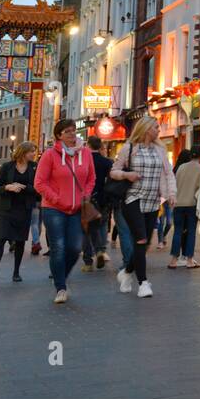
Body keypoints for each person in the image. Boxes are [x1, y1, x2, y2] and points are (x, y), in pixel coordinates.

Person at [108, 116, 176, 299]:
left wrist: (171, 194)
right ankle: (143, 283)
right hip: (133, 199)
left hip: (153, 200)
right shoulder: (129, 148)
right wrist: (126, 174)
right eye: (155, 127)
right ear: (146, 129)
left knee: (145, 243)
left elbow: (168, 173)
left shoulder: (160, 150)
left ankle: (127, 272)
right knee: (140, 239)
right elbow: (113, 172)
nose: (158, 131)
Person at [34, 119, 96, 304]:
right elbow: (39, 183)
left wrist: (85, 195)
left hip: (77, 209)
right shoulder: (50, 155)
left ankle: (60, 275)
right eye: (67, 132)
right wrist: (58, 199)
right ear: (59, 135)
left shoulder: (85, 153)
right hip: (54, 209)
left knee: (75, 248)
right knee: (58, 247)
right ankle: (60, 287)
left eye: (73, 131)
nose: (72, 134)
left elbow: (91, 178)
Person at [0, 142, 39, 284]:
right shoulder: (7, 167)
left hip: (24, 209)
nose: (33, 154)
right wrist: (8, 187)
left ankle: (16, 272)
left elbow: (38, 187)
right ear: (23, 152)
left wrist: (24, 187)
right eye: (31, 151)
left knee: (20, 241)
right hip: (7, 209)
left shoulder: (34, 167)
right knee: (1, 239)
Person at [168, 149, 200, 270]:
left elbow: (175, 183)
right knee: (191, 232)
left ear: (190, 156)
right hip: (192, 204)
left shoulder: (181, 167)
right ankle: (189, 260)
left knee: (177, 231)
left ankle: (173, 260)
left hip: (178, 203)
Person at [81, 136, 113, 271]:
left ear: (88, 145)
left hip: (86, 199)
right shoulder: (107, 162)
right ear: (100, 147)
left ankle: (88, 261)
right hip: (102, 199)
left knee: (85, 230)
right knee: (102, 225)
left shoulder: (83, 161)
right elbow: (111, 180)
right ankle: (100, 250)